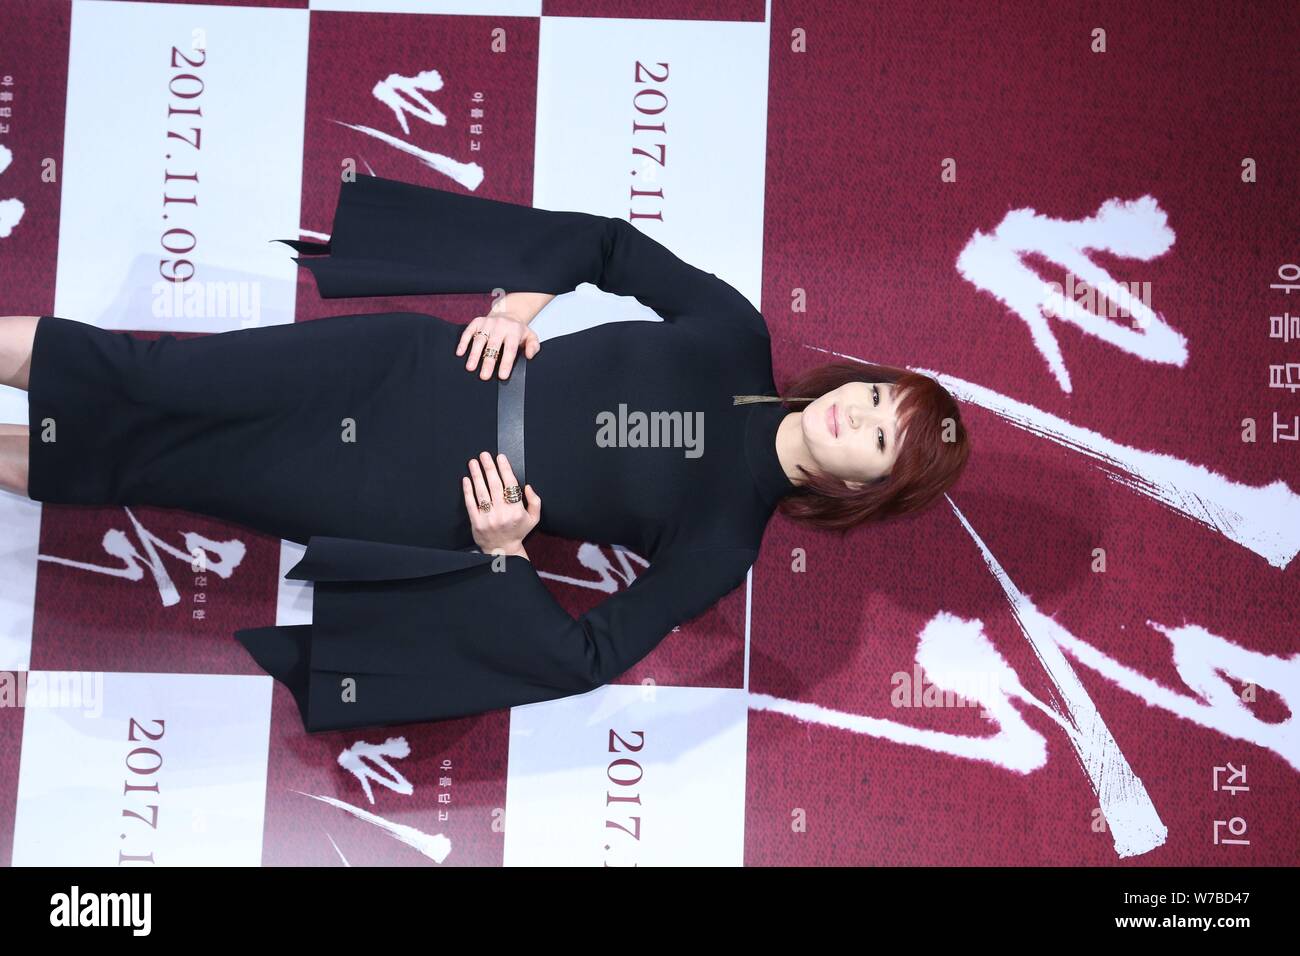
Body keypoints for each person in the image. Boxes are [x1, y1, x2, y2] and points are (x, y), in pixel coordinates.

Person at [0, 173, 970, 732]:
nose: (858, 413)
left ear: (865, 490)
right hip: (404, 368)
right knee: (149, 374)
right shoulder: (732, 331)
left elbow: (584, 658)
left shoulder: (725, 541)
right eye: (879, 394)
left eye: (882, 439)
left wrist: (504, 551)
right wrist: (524, 296)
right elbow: (607, 242)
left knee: (146, 465)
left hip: (394, 491)